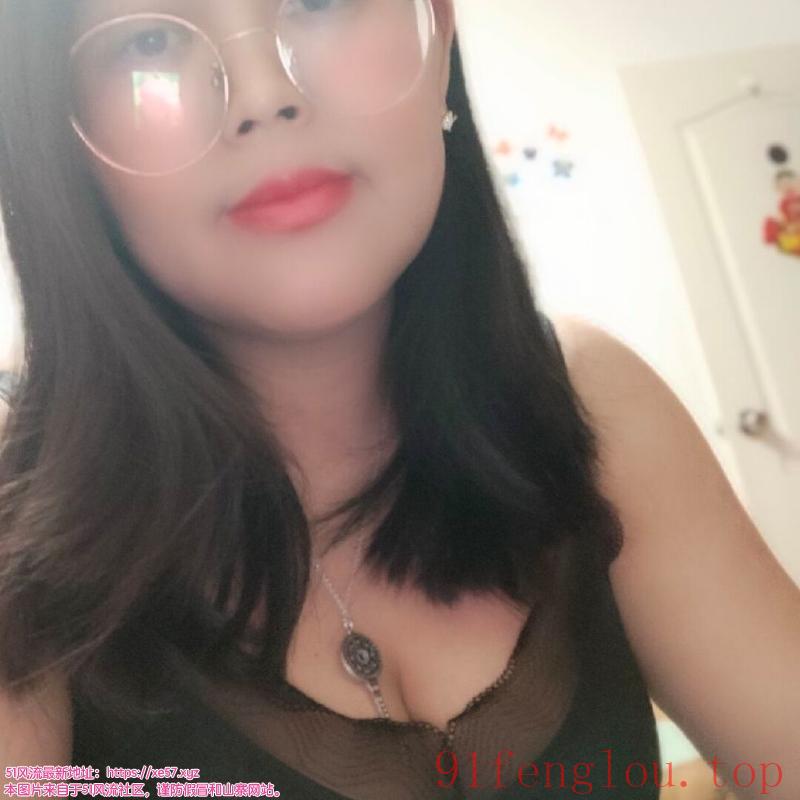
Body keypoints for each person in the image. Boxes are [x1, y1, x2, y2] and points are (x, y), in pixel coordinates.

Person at [0, 2, 798, 799]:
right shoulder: (17, 515)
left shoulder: (591, 402)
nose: (263, 94)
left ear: (439, 32)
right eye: (148, 39)